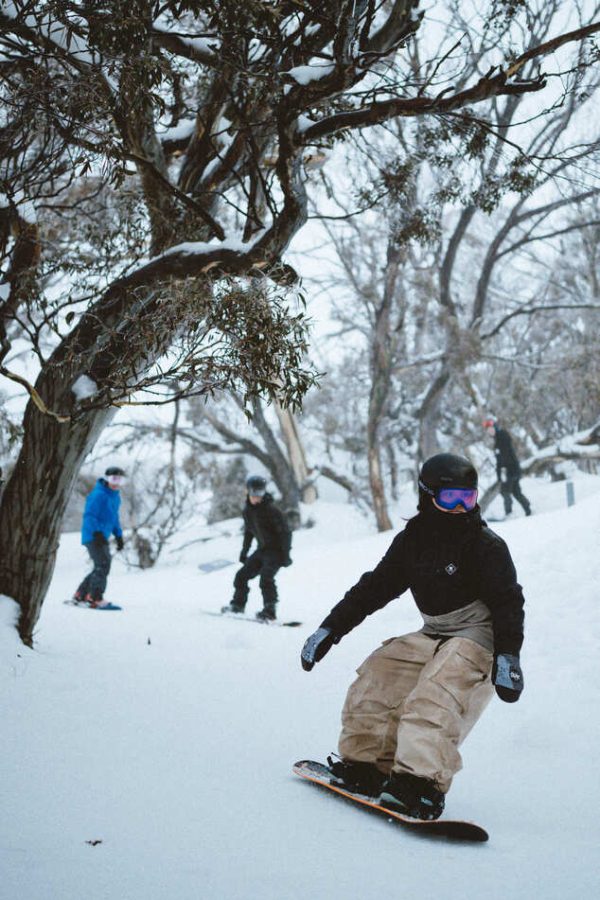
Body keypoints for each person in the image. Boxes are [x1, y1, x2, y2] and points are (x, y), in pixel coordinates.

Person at [300, 453, 524, 820]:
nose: (459, 509)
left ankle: (421, 785)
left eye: (467, 499)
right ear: (427, 495)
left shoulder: (486, 545)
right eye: (450, 499)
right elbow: (375, 587)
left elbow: (508, 602)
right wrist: (330, 629)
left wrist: (508, 657)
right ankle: (368, 767)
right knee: (378, 674)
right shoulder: (414, 540)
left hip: (479, 634)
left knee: (435, 696)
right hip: (435, 630)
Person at [222, 475, 292, 621]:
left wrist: (285, 555)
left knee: (266, 579)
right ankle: (238, 605)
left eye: (260, 493)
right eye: (254, 493)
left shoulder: (272, 511)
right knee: (241, 576)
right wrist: (244, 552)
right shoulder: (248, 511)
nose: (256, 497)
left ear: (264, 492)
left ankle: (270, 610)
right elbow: (249, 532)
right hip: (262, 550)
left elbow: (286, 533)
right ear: (248, 491)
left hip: (276, 552)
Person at [73, 466, 126, 608]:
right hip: (93, 536)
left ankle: (81, 594)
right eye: (113, 479)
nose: (116, 482)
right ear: (107, 479)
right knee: (103, 565)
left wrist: (119, 536)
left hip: (102, 536)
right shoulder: (99, 494)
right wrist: (96, 532)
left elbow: (114, 518)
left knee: (100, 565)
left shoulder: (115, 497)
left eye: (119, 479)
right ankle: (95, 597)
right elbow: (90, 515)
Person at [483, 416, 531, 517]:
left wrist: (503, 470)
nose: (490, 432)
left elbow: (506, 455)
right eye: (488, 430)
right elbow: (499, 460)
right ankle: (527, 508)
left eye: (491, 429)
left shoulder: (502, 436)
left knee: (505, 491)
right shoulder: (497, 441)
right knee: (516, 492)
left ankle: (509, 513)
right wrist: (499, 473)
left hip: (511, 470)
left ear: (495, 427)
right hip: (511, 470)